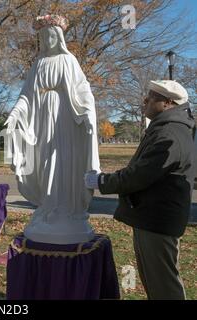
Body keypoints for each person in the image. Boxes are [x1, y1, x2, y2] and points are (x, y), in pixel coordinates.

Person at [85, 80, 195, 300]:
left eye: (151, 97)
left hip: (157, 221)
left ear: (168, 103)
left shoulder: (170, 133)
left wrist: (101, 181)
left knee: (164, 286)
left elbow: (140, 174)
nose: (145, 101)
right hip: (152, 218)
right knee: (155, 282)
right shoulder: (167, 128)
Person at [5, 14, 100, 244]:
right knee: (45, 162)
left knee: (64, 161)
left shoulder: (68, 61)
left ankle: (67, 209)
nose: (47, 40)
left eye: (50, 36)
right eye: (43, 36)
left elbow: (82, 89)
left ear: (58, 37)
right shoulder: (38, 64)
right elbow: (26, 95)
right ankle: (48, 206)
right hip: (41, 121)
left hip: (65, 118)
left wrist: (87, 114)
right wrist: (15, 113)